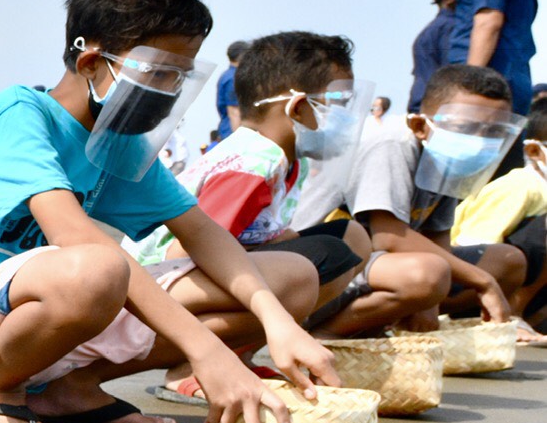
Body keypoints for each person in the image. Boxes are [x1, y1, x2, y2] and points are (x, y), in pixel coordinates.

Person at [0, 0, 335, 423]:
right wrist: (205, 350)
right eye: (158, 73)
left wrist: (277, 323)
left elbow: (200, 231)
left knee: (293, 278)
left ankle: (70, 390)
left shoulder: (119, 144)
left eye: (180, 77)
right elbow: (75, 239)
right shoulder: (21, 114)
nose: (169, 90)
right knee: (98, 267)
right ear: (93, 61)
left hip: (65, 307)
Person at [130, 34, 422, 388]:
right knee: (314, 264)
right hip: (160, 283)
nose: (346, 117)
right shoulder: (253, 164)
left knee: (350, 237)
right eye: (337, 104)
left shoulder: (281, 155)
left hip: (188, 275)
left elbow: (251, 229)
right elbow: (186, 249)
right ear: (298, 108)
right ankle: (192, 366)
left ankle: (241, 352)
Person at [319, 63, 527, 331]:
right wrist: (481, 280)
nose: (479, 140)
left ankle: (393, 318)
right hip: (336, 266)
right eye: (466, 126)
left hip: (388, 266)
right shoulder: (392, 145)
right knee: (428, 274)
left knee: (508, 261)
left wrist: (431, 303)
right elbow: (388, 236)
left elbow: (437, 237)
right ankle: (328, 333)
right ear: (419, 125)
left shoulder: (450, 160)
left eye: (493, 132)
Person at [449, 110, 547, 337]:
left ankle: (535, 316)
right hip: (473, 285)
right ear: (534, 151)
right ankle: (513, 314)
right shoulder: (519, 186)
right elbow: (477, 248)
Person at [409, 0, 466, 111]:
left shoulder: (428, 32)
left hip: (423, 102)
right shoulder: (451, 27)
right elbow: (453, 69)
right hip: (440, 106)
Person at [214, 39, 248, 139]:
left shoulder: (228, 75)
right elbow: (234, 111)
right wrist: (238, 139)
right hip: (233, 131)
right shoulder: (233, 78)